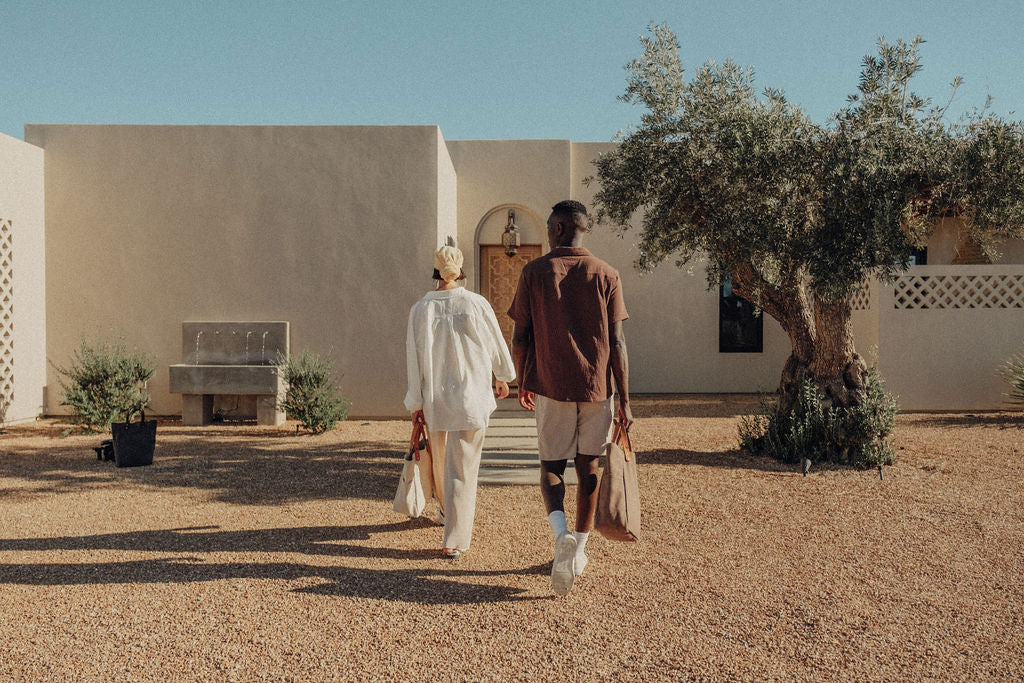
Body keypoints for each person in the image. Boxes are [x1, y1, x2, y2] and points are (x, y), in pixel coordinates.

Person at [508, 200, 632, 596]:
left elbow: (521, 336)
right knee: (589, 466)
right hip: (597, 387)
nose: (546, 231)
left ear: (560, 227)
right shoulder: (607, 273)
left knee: (551, 465)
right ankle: (578, 549)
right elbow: (617, 342)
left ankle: (560, 533)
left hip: (551, 386)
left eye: (548, 226)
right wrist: (626, 399)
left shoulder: (534, 272)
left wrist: (523, 379)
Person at [404, 245, 516, 559]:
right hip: (472, 397)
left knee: (440, 461)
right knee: (463, 467)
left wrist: (416, 402)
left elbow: (414, 361)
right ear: (461, 269)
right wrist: (502, 375)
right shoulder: (476, 303)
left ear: (435, 270)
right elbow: (495, 342)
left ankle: (446, 514)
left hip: (436, 399)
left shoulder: (420, 310)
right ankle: (453, 536)